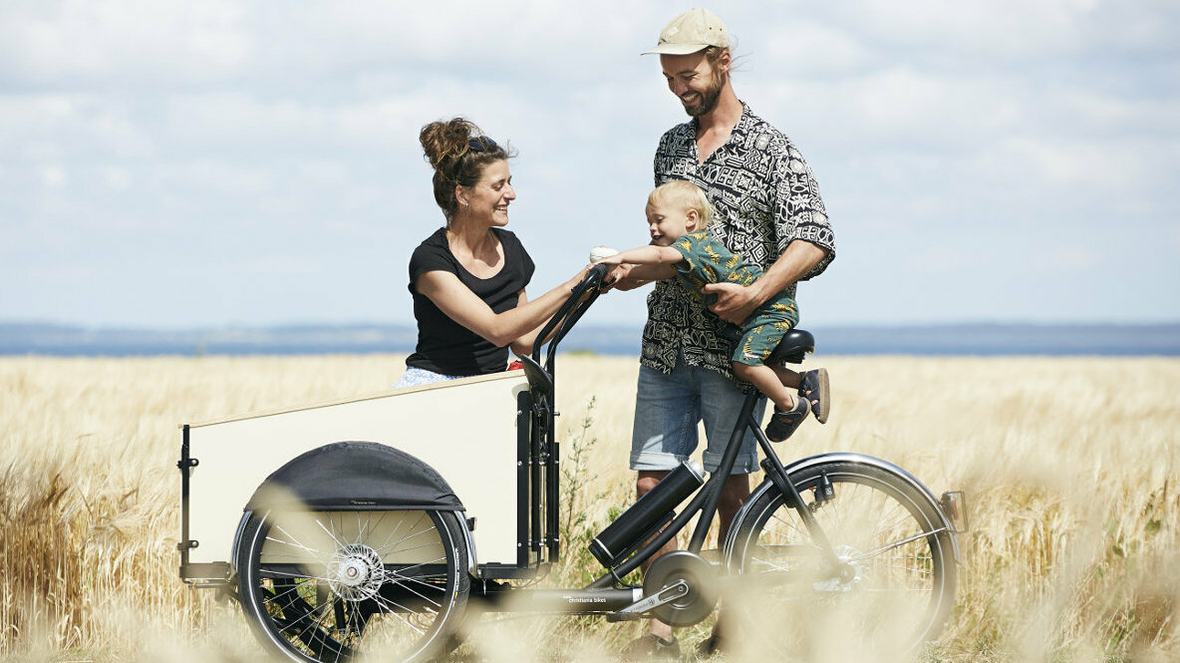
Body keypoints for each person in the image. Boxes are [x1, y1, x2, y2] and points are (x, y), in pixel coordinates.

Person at [615, 8, 837, 657]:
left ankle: (734, 631)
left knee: (730, 488)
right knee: (652, 484)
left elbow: (815, 238)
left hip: (729, 356)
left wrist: (758, 293)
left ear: (722, 62)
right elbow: (669, 247)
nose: (678, 88)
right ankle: (659, 632)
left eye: (687, 75)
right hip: (664, 346)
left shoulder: (773, 148)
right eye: (669, 77)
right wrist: (622, 273)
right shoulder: (668, 147)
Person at [595, 181, 827, 442]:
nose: (652, 228)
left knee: (744, 364)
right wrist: (617, 275)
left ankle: (791, 407)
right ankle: (805, 381)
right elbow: (653, 269)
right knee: (752, 366)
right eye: (649, 221)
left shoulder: (692, 244)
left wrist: (619, 257)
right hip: (761, 314)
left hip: (770, 310)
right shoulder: (685, 256)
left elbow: (658, 258)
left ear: (691, 219)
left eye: (659, 220)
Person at [395, 117, 589, 388]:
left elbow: (523, 342)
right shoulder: (431, 261)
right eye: (498, 186)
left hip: (488, 387)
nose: (511, 194)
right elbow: (497, 331)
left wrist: (585, 292)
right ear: (463, 195)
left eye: (509, 182)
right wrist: (572, 286)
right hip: (434, 387)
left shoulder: (511, 248)